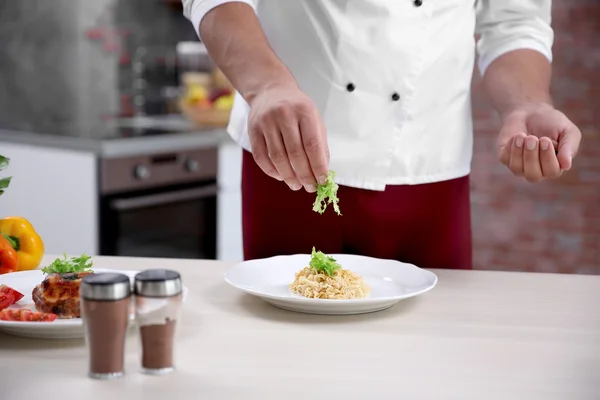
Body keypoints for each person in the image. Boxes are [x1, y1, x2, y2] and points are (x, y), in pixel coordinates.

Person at [182, 0, 582, 269]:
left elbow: (515, 21)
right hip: (288, 158)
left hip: (428, 169)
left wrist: (527, 102)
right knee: (287, 360)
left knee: (432, 361)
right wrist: (266, 86)